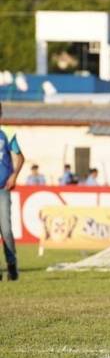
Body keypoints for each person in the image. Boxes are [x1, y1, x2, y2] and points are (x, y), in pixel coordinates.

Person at [0, 102, 24, 280]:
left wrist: (14, 176)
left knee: (6, 230)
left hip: (2, 189)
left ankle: (11, 264)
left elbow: (20, 157)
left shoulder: (7, 133)